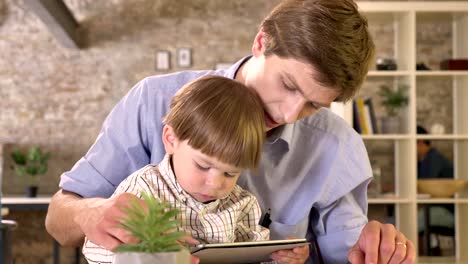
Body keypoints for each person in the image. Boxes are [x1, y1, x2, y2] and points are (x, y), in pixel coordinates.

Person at [45, 0, 416, 263]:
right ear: (261, 42)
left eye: (313, 105)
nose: (289, 114)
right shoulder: (152, 101)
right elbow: (58, 220)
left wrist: (374, 249)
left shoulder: (337, 144)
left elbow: (345, 252)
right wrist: (89, 214)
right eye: (288, 84)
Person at [82, 75, 273, 263]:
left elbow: (256, 254)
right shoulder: (143, 189)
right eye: (203, 166)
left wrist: (278, 258)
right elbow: (94, 250)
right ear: (171, 140)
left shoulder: (243, 203)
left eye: (230, 173)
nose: (215, 184)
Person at [417, 125, 455, 255]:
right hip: (437, 207)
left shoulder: (433, 159)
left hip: (450, 211)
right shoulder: (425, 160)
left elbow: (425, 190)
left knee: (414, 220)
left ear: (420, 142)